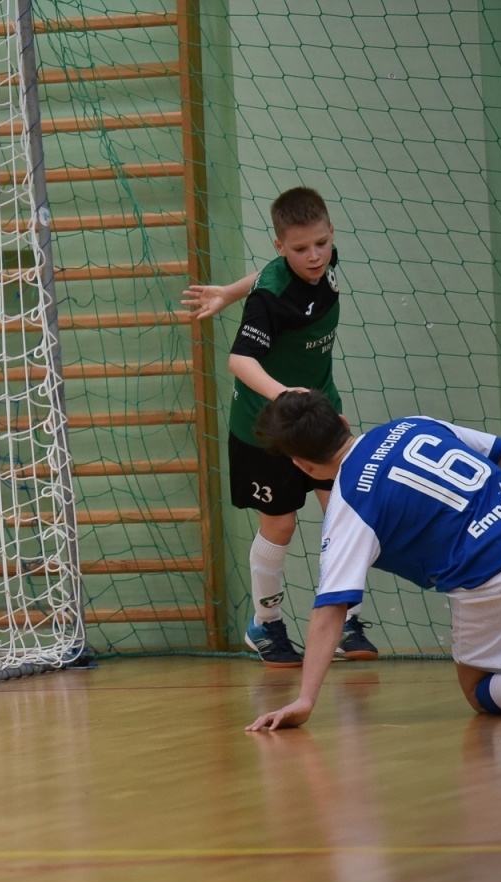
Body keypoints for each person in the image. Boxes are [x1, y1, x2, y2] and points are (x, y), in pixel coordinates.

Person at [244, 389, 501, 730]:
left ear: (303, 466)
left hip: (487, 569)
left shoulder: (349, 504)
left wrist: (305, 700)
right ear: (342, 421)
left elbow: (331, 608)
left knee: (478, 687)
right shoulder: (412, 424)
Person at [182, 187, 378, 667]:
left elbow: (273, 272)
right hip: (265, 426)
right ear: (280, 246)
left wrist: (229, 290)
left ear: (330, 235)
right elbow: (239, 361)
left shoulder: (322, 262)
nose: (314, 256)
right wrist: (287, 395)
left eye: (321, 244)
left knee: (344, 514)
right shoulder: (271, 299)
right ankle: (265, 624)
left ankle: (346, 619)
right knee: (281, 524)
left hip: (318, 416)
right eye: (300, 249)